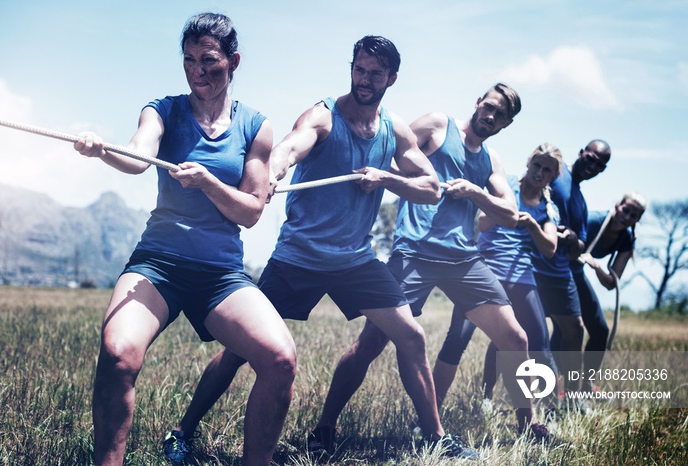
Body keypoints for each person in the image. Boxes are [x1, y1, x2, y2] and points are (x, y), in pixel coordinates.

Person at [166, 35, 480, 460]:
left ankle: (434, 438)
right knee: (240, 350)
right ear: (351, 68)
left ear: (392, 77)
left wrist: (387, 179)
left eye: (375, 73)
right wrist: (271, 174)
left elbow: (430, 188)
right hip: (300, 257)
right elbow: (289, 148)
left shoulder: (394, 129)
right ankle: (183, 430)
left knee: (411, 336)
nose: (364, 79)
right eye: (359, 69)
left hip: (356, 260)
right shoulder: (324, 116)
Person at [73, 13, 296, 466]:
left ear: (233, 61)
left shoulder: (256, 126)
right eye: (189, 60)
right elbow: (139, 156)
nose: (198, 71)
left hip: (221, 274)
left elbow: (252, 211)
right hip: (158, 265)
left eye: (209, 60)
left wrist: (210, 183)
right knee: (118, 355)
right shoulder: (163, 110)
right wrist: (106, 151)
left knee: (280, 360)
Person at [311, 83, 556, 443]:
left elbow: (510, 213)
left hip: (463, 260)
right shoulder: (439, 125)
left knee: (516, 338)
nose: (490, 116)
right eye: (488, 107)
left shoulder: (491, 160)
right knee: (371, 342)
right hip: (414, 253)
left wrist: (475, 191)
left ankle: (527, 427)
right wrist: (405, 181)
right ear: (478, 101)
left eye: (500, 115)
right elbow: (390, 151)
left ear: (506, 124)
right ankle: (325, 427)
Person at [439, 143, 562, 403]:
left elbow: (550, 249)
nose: (540, 172)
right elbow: (482, 223)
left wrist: (531, 224)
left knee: (538, 343)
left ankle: (551, 405)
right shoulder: (506, 189)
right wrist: (507, 211)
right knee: (457, 338)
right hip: (485, 270)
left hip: (522, 277)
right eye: (537, 165)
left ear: (553, 176)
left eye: (547, 170)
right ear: (528, 163)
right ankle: (479, 400)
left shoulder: (549, 208)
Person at [532, 140, 611, 395]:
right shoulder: (556, 171)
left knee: (573, 330)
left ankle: (570, 396)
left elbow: (579, 248)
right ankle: (488, 397)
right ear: (580, 153)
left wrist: (572, 239)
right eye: (590, 158)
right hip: (534, 264)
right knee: (523, 331)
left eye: (600, 165)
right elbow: (532, 196)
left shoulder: (582, 202)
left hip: (562, 271)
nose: (593, 166)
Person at [573, 192, 647, 392]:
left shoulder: (627, 238)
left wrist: (596, 266)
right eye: (626, 210)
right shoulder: (593, 221)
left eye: (634, 216)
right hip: (561, 270)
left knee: (600, 331)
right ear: (617, 206)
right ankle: (556, 388)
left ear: (637, 220)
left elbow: (611, 283)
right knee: (568, 329)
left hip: (578, 274)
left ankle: (587, 388)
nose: (627, 217)